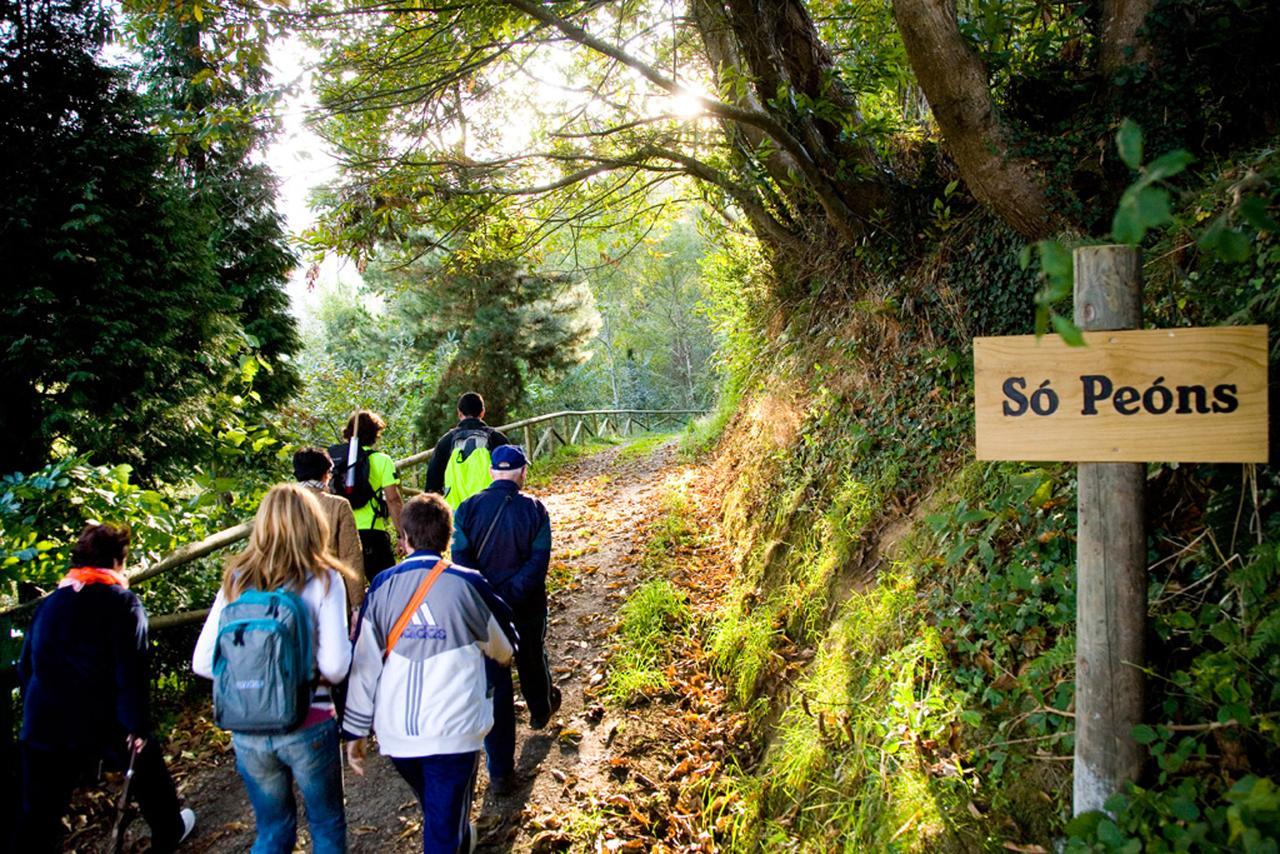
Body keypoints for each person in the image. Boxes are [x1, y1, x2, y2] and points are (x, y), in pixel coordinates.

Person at [343, 493, 517, 854]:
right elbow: (503, 646)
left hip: (396, 732)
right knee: (442, 820)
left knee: (439, 807)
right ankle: (450, 836)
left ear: (403, 539)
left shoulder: (381, 587)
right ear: (449, 538)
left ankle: (454, 833)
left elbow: (363, 665)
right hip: (454, 727)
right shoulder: (467, 584)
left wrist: (356, 731)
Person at [192, 484, 357, 854]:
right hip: (309, 721)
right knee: (326, 824)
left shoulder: (236, 580)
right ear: (314, 524)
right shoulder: (324, 579)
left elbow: (202, 662)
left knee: (272, 830)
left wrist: (255, 679)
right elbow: (335, 667)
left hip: (247, 725)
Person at [16, 522, 196, 852]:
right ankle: (168, 831)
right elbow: (130, 669)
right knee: (146, 761)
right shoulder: (121, 602)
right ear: (118, 560)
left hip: (43, 720)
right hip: (99, 718)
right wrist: (137, 726)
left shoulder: (51, 603)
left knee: (38, 812)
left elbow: (26, 666)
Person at [451, 445, 559, 795]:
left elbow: (461, 560)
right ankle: (540, 710)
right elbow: (539, 561)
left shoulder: (466, 509)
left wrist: (490, 594)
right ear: (522, 472)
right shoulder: (535, 509)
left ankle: (500, 772)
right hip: (526, 604)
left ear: (492, 471)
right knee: (531, 656)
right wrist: (513, 592)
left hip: (484, 610)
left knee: (494, 686)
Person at [294, 445, 367, 614]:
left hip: (291, 593)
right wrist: (357, 604)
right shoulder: (338, 505)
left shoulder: (282, 505)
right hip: (328, 594)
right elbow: (350, 556)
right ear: (326, 473)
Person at [333, 409, 403, 578]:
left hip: (342, 532)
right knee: (385, 588)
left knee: (348, 591)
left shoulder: (337, 460)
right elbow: (393, 500)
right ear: (375, 434)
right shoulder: (382, 460)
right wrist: (403, 534)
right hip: (373, 533)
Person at [424, 391, 509, 510]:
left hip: (456, 513)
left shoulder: (446, 441)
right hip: (492, 509)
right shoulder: (497, 438)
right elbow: (511, 475)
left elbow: (432, 483)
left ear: (459, 413)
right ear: (482, 412)